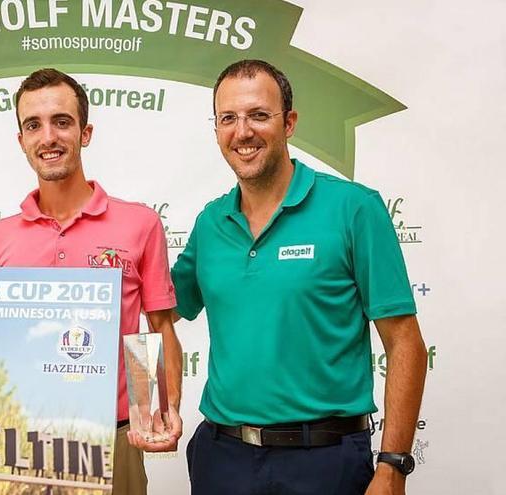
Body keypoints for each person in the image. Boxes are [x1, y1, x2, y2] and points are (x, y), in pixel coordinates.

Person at [171, 59, 427, 495]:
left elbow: (406, 343)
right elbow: (162, 306)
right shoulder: (210, 222)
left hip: (325, 463)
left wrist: (392, 466)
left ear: (289, 123)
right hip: (222, 459)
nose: (242, 131)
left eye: (258, 115)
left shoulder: (355, 209)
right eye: (227, 118)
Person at [0, 68, 183, 495]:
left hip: (116, 437)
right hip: (19, 441)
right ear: (21, 141)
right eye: (33, 125)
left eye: (61, 122)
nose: (47, 136)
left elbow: (160, 328)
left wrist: (167, 410)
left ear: (85, 133)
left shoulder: (140, 223)